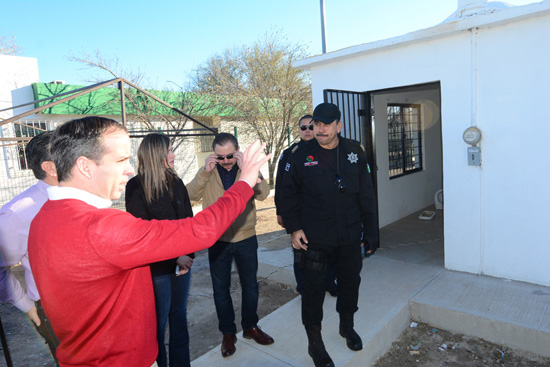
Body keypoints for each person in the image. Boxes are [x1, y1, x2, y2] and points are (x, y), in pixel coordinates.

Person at [27, 117, 270, 367]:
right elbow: (201, 230)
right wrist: (244, 182)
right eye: (121, 160)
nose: (130, 168)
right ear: (85, 166)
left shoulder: (42, 220)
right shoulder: (101, 228)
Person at [278, 103, 378, 367]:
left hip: (348, 235)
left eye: (325, 124)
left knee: (349, 284)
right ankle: (315, 343)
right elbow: (287, 194)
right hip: (315, 237)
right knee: (313, 291)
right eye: (316, 124)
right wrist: (294, 228)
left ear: (338, 126)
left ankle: (347, 326)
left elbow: (367, 194)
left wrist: (371, 231)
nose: (318, 129)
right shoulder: (300, 155)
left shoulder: (354, 152)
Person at [186, 132, 274, 358]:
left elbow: (263, 194)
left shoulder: (247, 169)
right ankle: (228, 333)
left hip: (245, 237)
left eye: (229, 156)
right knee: (220, 290)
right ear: (214, 155)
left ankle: (250, 327)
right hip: (218, 241)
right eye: (220, 157)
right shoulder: (209, 171)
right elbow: (191, 195)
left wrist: (251, 171)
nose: (225, 161)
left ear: (237, 152)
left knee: (250, 286)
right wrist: (204, 173)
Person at [125, 133, 194, 367]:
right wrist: (177, 255)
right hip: (157, 271)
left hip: (183, 266)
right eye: (169, 151)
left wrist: (187, 256)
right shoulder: (135, 187)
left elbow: (188, 222)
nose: (173, 155)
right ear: (156, 154)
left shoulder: (176, 181)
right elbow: (143, 232)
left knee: (179, 318)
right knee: (157, 325)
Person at [0, 131, 60, 363]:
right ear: (51, 167)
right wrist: (27, 306)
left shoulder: (89, 199)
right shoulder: (17, 213)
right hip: (55, 313)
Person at [274, 115, 338, 297]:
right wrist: (280, 212)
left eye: (311, 126)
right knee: (301, 253)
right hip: (299, 214)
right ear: (299, 130)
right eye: (304, 128)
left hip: (323, 213)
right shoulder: (290, 154)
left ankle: (329, 282)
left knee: (328, 249)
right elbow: (281, 185)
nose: (308, 130)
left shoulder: (326, 150)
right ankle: (303, 287)